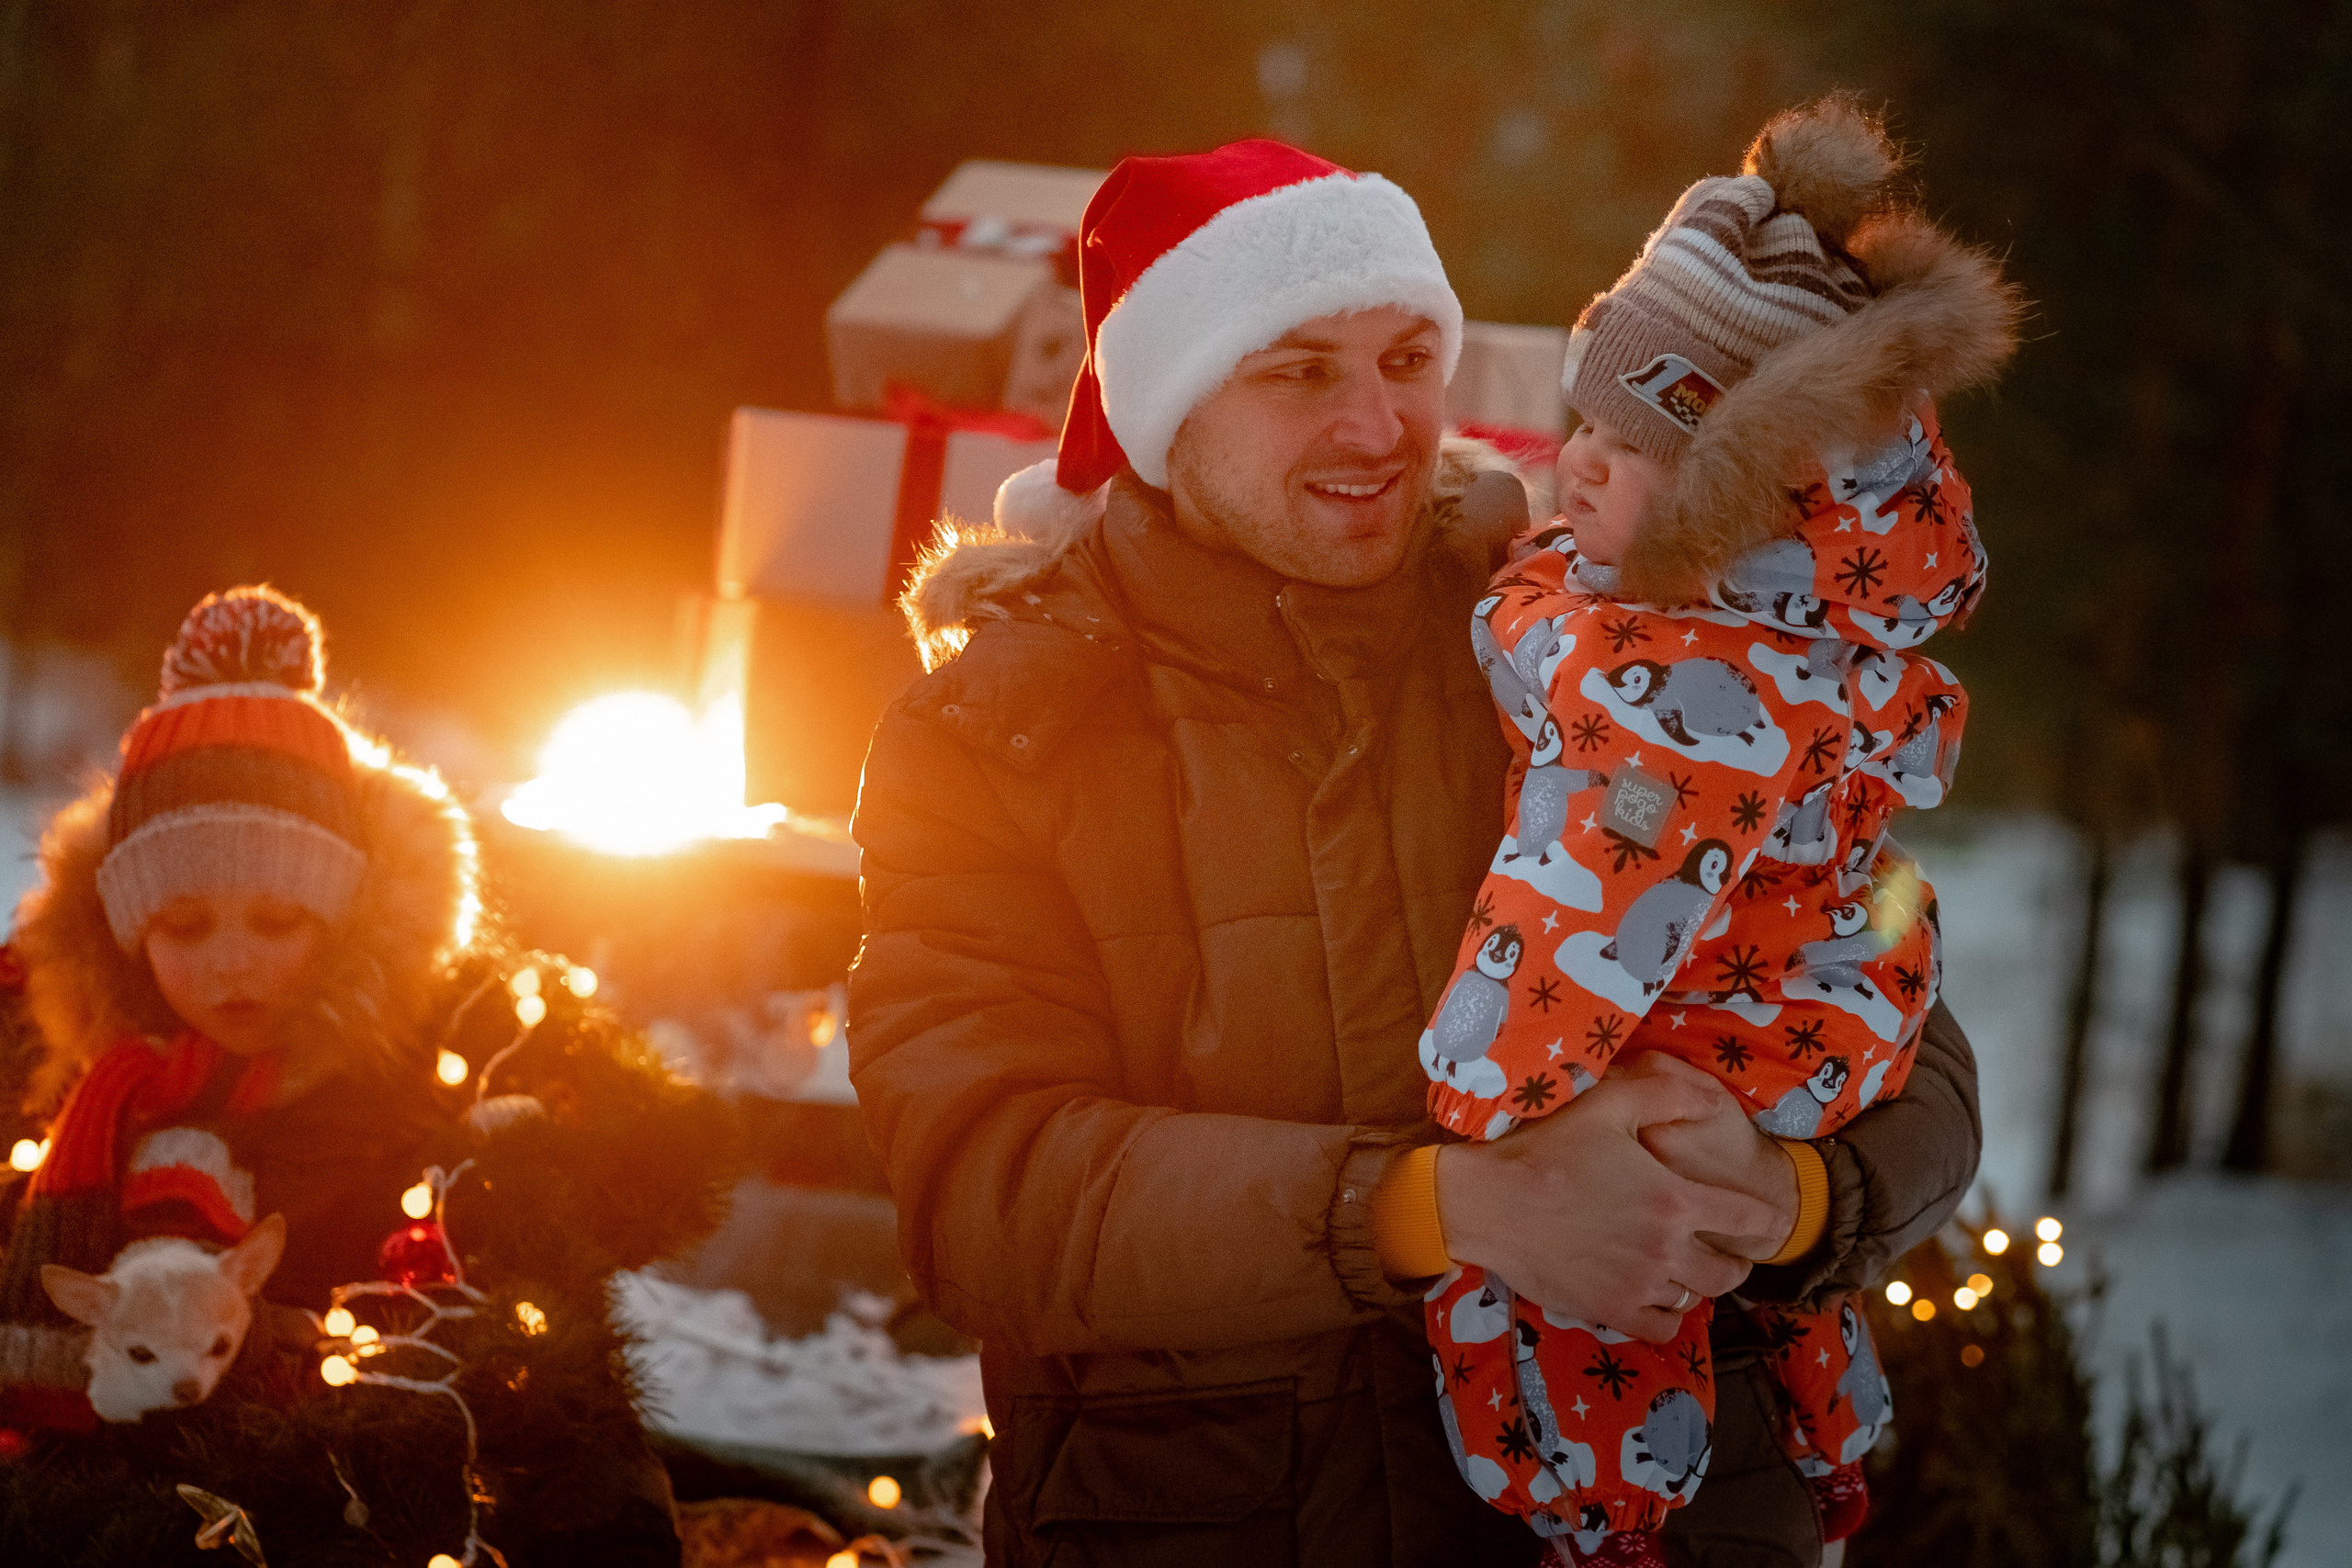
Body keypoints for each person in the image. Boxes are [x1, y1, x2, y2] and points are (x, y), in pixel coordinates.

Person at [851, 135, 1984, 1568]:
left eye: (1405, 356)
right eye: (1300, 370)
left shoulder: (1603, 635)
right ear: (1170, 407)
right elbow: (982, 1194)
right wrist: (1449, 1208)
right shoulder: (1000, 732)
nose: (1379, 423)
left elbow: (1905, 1004)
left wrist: (1786, 1192)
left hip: (1687, 1509)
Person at [1415, 98, 2018, 1567]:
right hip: (1818, 1011)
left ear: (1748, 499)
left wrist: (1483, 1095)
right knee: (1749, 1277)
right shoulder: (1757, 609)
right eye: (1580, 421)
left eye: (1625, 451)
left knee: (1578, 1280)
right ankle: (1822, 1438)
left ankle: (1598, 1506)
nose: (1574, 466)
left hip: (1702, 1026)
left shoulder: (1673, 697)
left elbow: (1582, 908)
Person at [0, 585, 700, 1565]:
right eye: (185, 927)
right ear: (126, 934)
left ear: (339, 924)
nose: (232, 963)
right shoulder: (79, 1083)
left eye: (276, 923)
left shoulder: (428, 1071)